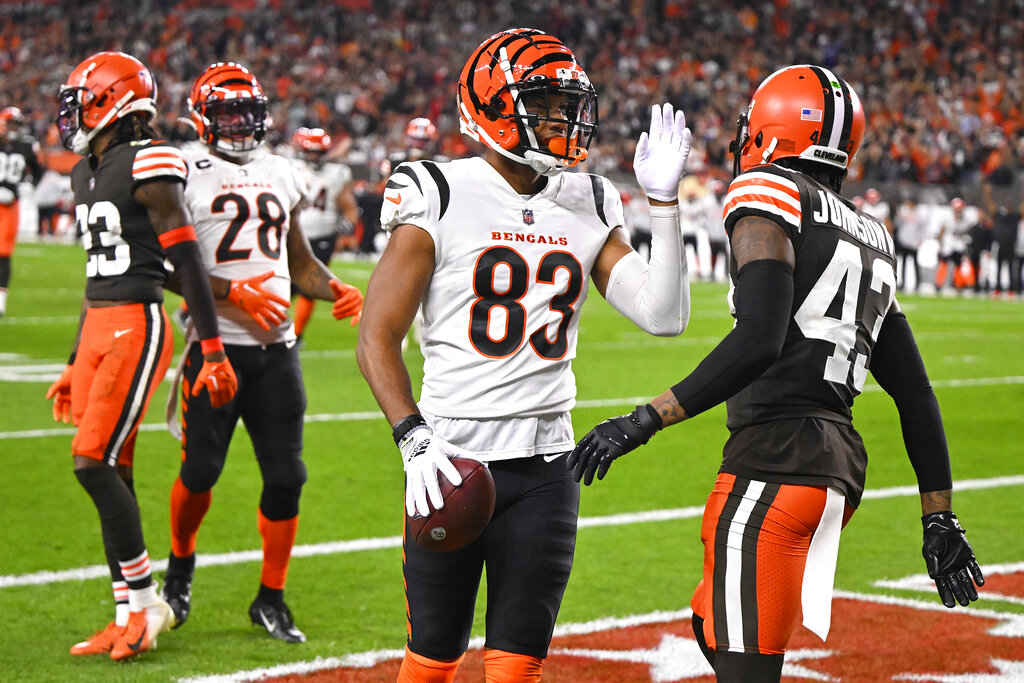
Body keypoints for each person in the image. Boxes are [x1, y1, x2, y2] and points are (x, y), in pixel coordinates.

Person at [567, 65, 984, 683]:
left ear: (772, 132)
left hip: (774, 463)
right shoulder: (869, 233)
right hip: (834, 468)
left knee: (744, 664)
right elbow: (915, 390)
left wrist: (644, 419)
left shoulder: (768, 190)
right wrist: (938, 514)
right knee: (714, 622)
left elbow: (759, 339)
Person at [356, 28, 692, 682]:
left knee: (516, 667)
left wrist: (665, 204)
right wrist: (413, 440)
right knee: (431, 658)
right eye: (546, 104)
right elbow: (376, 336)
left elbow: (664, 315)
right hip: (450, 458)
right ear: (492, 108)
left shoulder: (591, 199)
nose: (565, 121)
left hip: (545, 466)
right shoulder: (439, 191)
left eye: (568, 105)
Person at [160, 62, 363, 644]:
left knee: (287, 477)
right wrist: (235, 292)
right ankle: (180, 567)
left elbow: (298, 261)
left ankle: (270, 597)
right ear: (202, 116)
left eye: (249, 113)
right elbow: (168, 269)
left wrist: (335, 287)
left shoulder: (280, 170)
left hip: (277, 353)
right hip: (217, 348)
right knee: (200, 473)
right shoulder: (182, 170)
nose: (241, 124)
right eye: (228, 114)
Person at [45, 51, 238, 660]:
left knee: (91, 463)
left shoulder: (151, 160)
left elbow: (185, 262)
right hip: (100, 324)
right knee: (115, 468)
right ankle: (127, 611)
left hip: (136, 321)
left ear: (112, 99)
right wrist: (76, 357)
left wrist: (212, 350)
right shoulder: (85, 171)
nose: (72, 112)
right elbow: (92, 274)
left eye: (81, 98)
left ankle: (146, 597)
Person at [289, 126, 360, 340]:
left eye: (319, 152)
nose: (315, 157)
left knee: (311, 287)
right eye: (311, 151)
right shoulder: (290, 168)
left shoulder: (337, 173)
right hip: (293, 234)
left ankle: (297, 334)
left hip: (323, 237)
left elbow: (349, 206)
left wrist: (348, 223)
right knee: (284, 283)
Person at [0, 106, 44, 316]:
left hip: (10, 206)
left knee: (3, 252)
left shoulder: (26, 146)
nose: (13, 129)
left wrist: (28, 185)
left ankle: (1, 297)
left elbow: (38, 171)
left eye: (16, 124)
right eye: (11, 124)